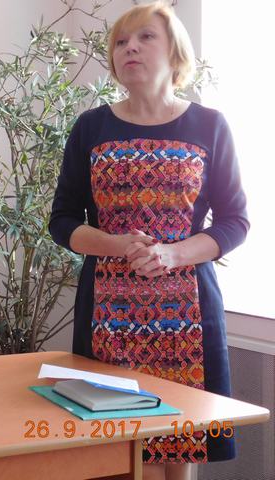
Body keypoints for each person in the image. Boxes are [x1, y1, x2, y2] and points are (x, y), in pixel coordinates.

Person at [49, 3, 248, 480]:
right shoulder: (91, 127)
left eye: (144, 38)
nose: (130, 48)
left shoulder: (210, 125)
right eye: (121, 42)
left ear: (175, 53)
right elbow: (62, 222)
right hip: (108, 315)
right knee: (120, 449)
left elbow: (235, 222)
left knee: (181, 442)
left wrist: (172, 253)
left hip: (187, 315)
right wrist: (119, 245)